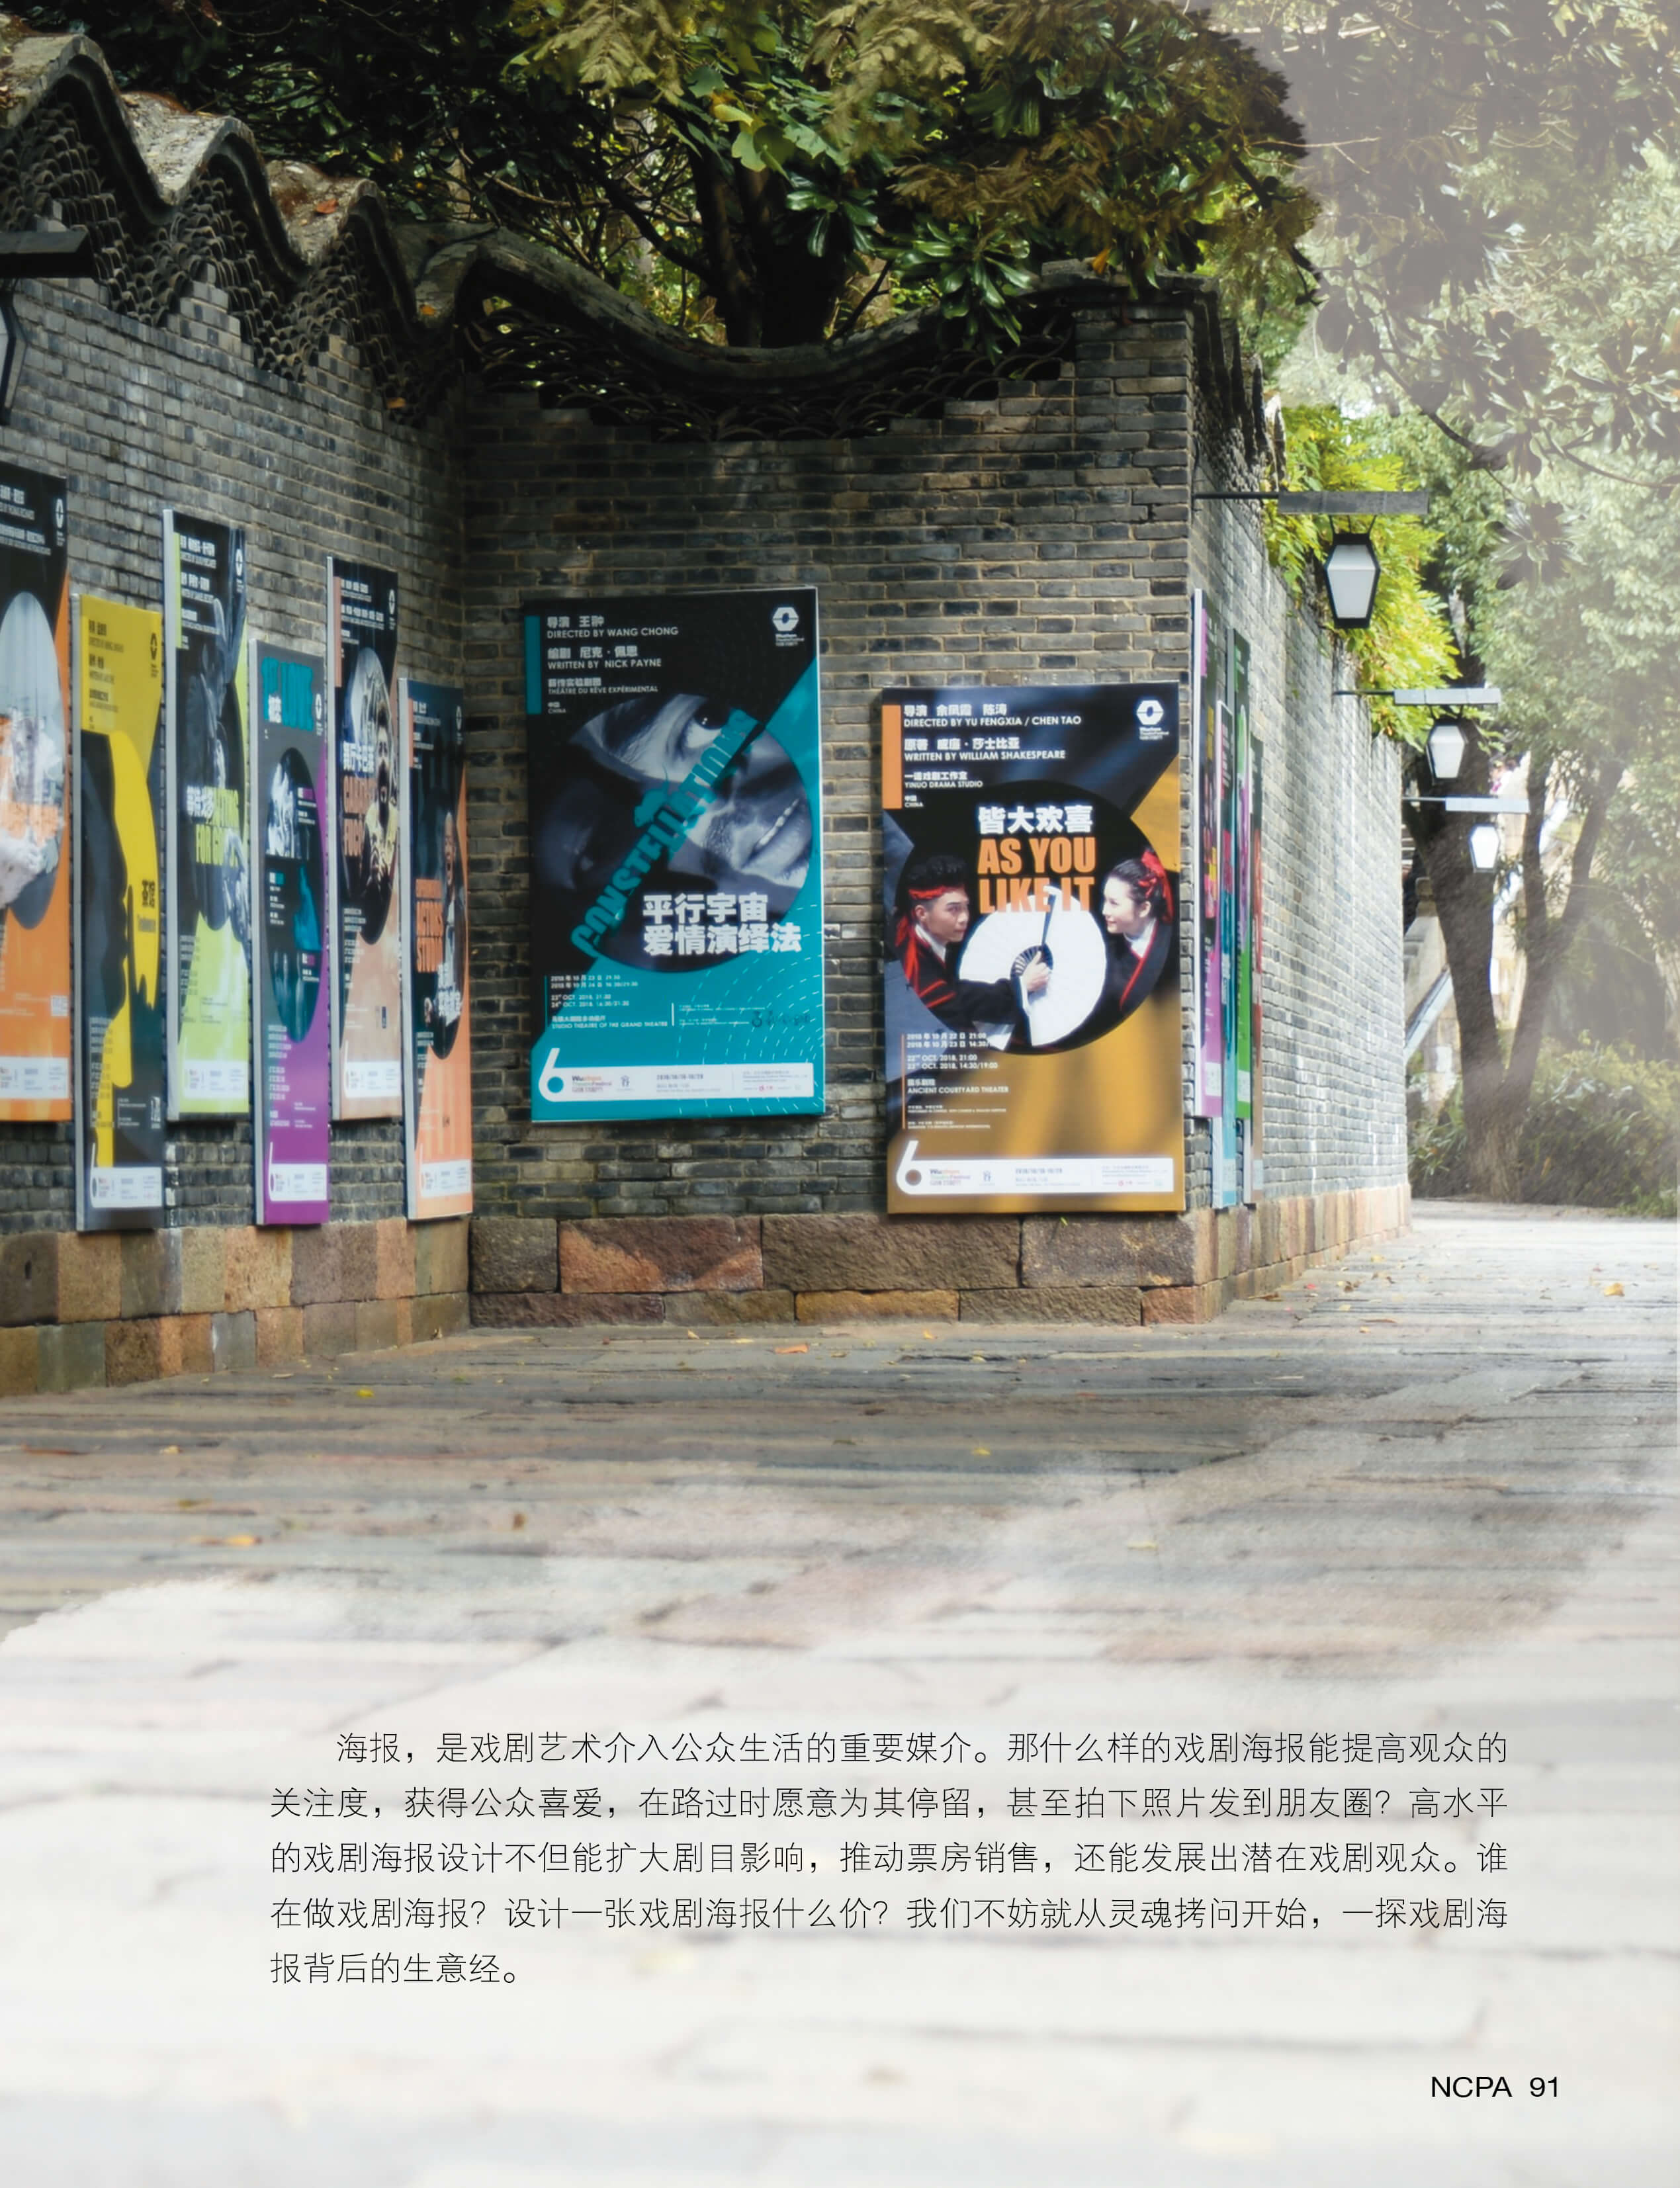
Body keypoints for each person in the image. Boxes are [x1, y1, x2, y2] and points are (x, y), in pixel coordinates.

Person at [894, 851, 1048, 1037]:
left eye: (965, 907)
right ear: (922, 914)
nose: (964, 918)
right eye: (953, 910)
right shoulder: (911, 962)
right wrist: (1022, 986)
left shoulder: (913, 931)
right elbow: (954, 1001)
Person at [1094, 851, 1174, 1027]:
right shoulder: (1106, 954)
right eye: (1105, 900)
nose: (1105, 911)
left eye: (1114, 903)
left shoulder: (1172, 943)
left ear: (1144, 908)